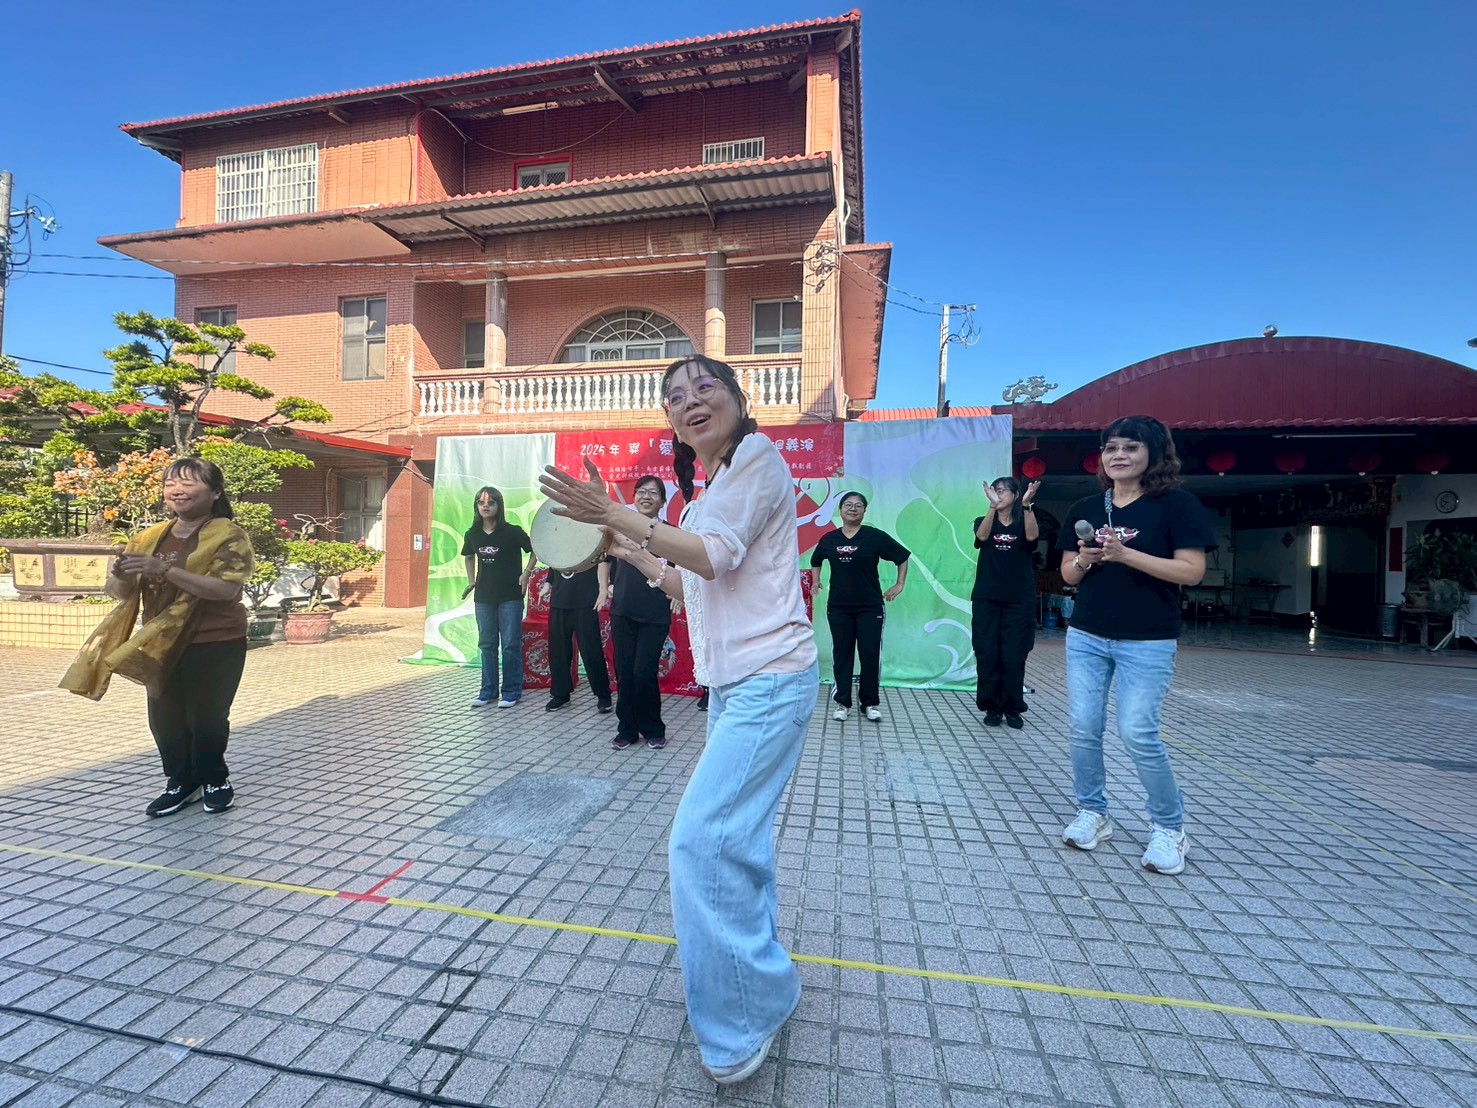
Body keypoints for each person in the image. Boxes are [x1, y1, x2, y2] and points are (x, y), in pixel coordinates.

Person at [540, 354, 817, 1086]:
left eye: (704, 387)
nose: (689, 400)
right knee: (736, 843)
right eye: (674, 395)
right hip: (737, 686)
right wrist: (625, 547)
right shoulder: (707, 493)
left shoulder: (756, 458)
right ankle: (765, 983)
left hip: (770, 680)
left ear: (737, 399)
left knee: (699, 843)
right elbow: (688, 581)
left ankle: (736, 1027)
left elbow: (712, 558)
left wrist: (614, 513)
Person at [1056, 415, 1215, 876]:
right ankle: (1093, 812)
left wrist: (1126, 555)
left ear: (1154, 453)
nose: (1119, 455)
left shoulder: (1177, 505)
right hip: (1087, 634)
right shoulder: (1087, 506)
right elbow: (1067, 573)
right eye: (1110, 448)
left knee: (1137, 733)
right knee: (1084, 728)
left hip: (1148, 638)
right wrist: (1085, 560)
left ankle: (1169, 828)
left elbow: (1191, 572)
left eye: (1130, 447)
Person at [62, 458, 256, 817]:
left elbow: (225, 590)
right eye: (170, 484)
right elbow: (118, 592)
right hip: (160, 639)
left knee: (207, 716)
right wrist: (122, 574)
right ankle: (181, 781)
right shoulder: (148, 538)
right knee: (164, 717)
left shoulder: (228, 535)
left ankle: (215, 779)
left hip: (215, 639)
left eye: (189, 483)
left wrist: (163, 569)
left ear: (215, 492)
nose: (177, 490)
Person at [810, 491, 910, 722]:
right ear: (840, 510)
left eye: (858, 505)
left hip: (870, 607)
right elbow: (816, 560)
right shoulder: (829, 539)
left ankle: (870, 703)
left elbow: (902, 556)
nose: (853, 509)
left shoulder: (874, 537)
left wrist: (900, 584)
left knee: (870, 654)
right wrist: (816, 581)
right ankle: (842, 703)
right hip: (839, 607)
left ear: (864, 511)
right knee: (842, 654)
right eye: (848, 505)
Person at [600, 475, 675, 749]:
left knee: (644, 672)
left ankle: (653, 728)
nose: (646, 497)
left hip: (655, 614)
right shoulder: (623, 530)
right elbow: (605, 560)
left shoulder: (670, 534)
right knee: (625, 673)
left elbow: (683, 569)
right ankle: (627, 730)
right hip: (623, 611)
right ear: (634, 498)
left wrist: (678, 594)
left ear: (662, 501)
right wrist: (603, 589)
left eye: (653, 493)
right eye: (642, 491)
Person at [971, 476, 1040, 729]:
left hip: (1019, 599)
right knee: (987, 653)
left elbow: (1032, 538)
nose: (998, 495)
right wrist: (992, 507)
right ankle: (991, 707)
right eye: (995, 491)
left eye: (1003, 491)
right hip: (987, 597)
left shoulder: (1025, 519)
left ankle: (1012, 708)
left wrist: (1027, 506)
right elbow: (981, 538)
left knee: (1014, 654)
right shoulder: (983, 520)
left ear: (1015, 495)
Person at [461, 486, 534, 708]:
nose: (485, 506)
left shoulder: (512, 532)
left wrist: (526, 573)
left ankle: (511, 692)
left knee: (510, 644)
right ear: (476, 506)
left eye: (491, 503)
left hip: (510, 596)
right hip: (484, 597)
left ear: (499, 506)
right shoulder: (472, 534)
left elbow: (535, 549)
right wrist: (471, 581)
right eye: (481, 502)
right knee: (487, 644)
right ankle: (488, 692)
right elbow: (468, 556)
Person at [538, 565, 612, 714]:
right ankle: (561, 694)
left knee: (591, 650)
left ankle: (603, 694)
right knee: (558, 650)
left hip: (585, 599)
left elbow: (605, 560)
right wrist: (548, 582)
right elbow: (554, 561)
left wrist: (605, 587)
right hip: (559, 598)